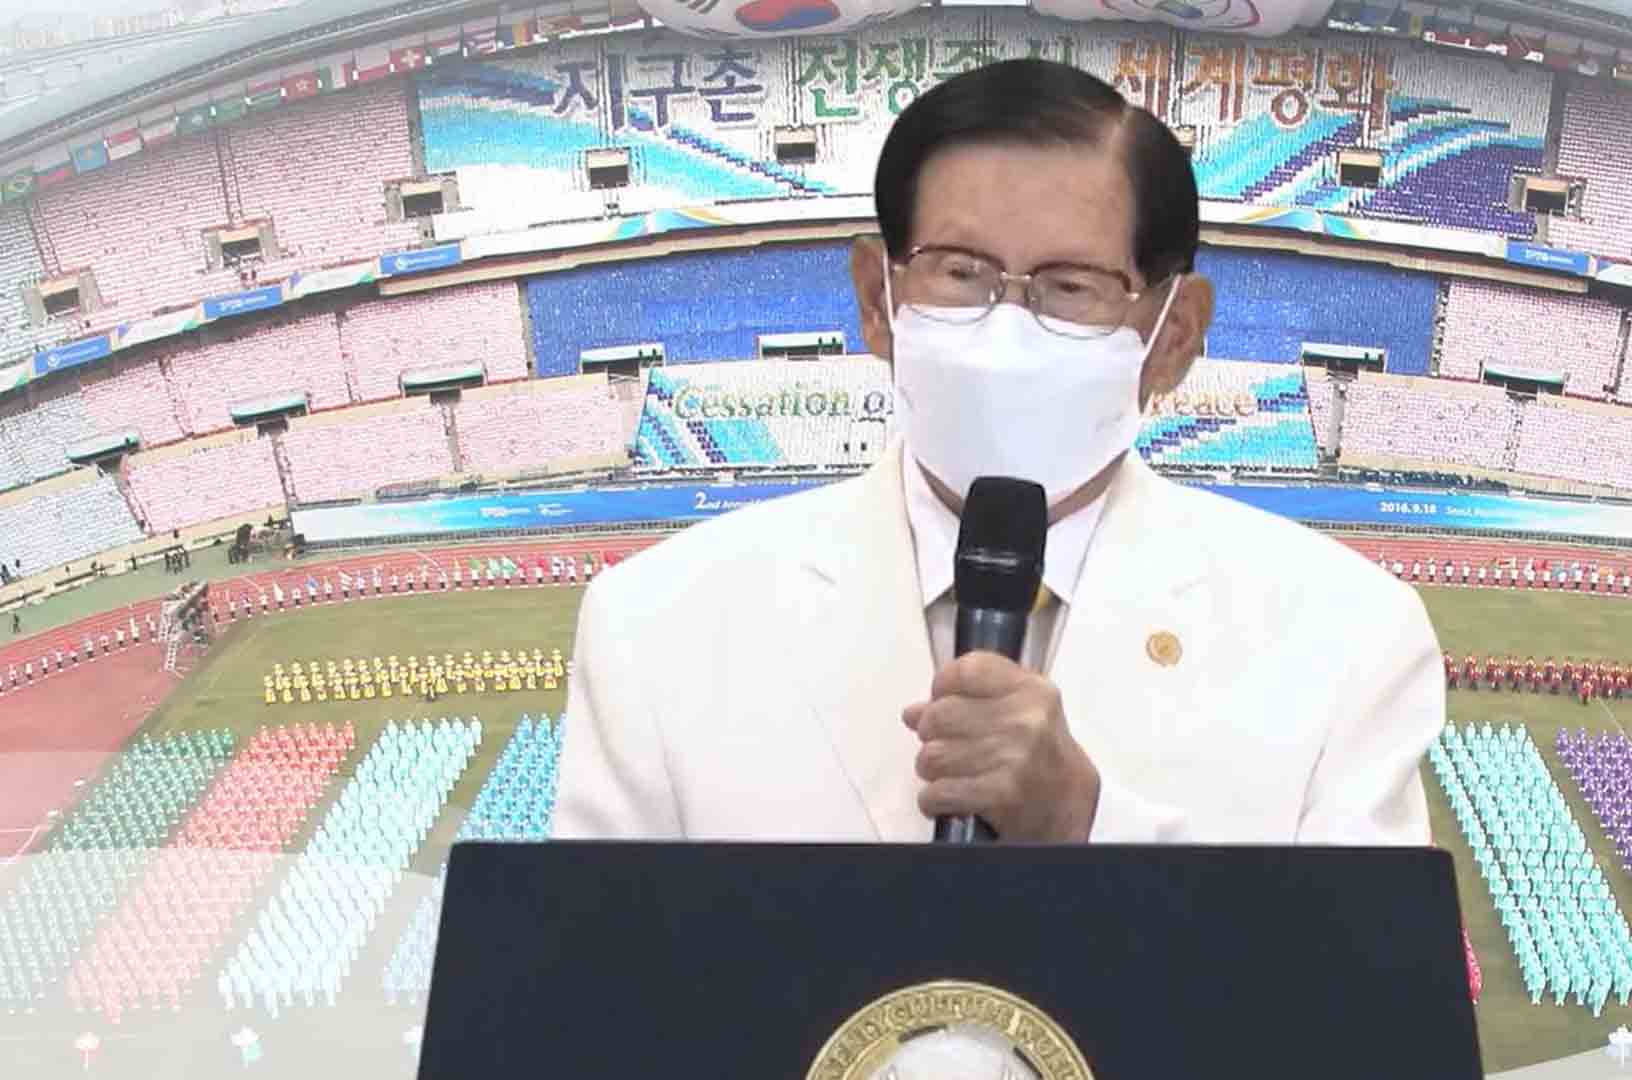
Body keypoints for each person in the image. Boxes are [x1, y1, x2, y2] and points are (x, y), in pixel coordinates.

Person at [552, 60, 1445, 845]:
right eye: (960, 271)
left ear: (1174, 336)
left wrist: (1092, 828)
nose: (1007, 331)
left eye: (1073, 286)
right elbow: (604, 973)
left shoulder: (1348, 643)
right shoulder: (654, 628)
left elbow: (1350, 982)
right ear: (877, 299)